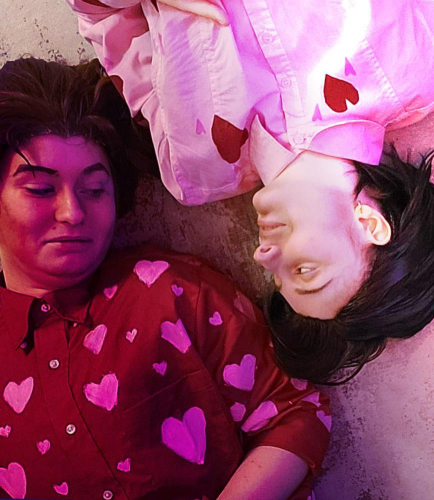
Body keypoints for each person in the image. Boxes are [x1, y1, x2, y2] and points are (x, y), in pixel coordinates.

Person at [0, 57, 330, 500]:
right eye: (41, 189)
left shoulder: (169, 292)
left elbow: (294, 412)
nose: (73, 212)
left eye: (94, 190)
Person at [66, 0, 434, 382]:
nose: (263, 255)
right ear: (370, 223)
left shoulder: (191, 169)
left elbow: (100, 15)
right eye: (304, 270)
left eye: (276, 277)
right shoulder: (413, 66)